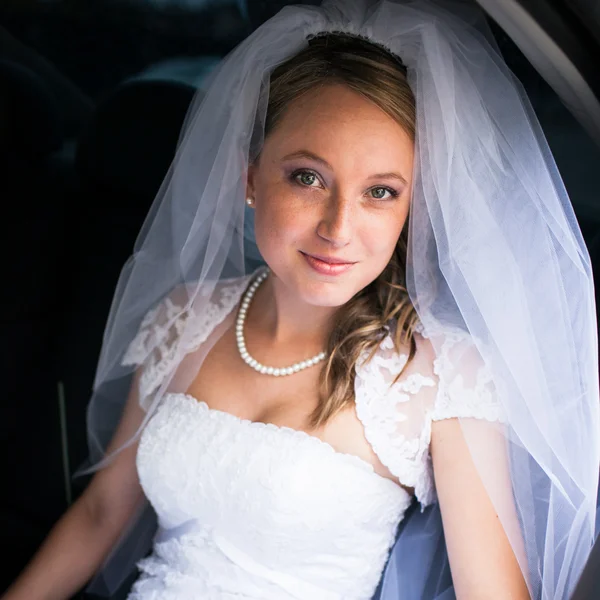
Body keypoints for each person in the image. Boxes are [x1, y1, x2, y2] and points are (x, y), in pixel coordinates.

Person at [3, 1, 598, 599]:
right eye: (308, 178)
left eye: (381, 192)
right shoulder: (184, 318)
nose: (338, 227)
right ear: (251, 179)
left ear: (412, 209)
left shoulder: (440, 374)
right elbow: (103, 513)